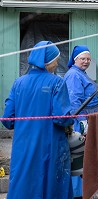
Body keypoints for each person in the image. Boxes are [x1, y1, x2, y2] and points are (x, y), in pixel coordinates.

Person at [1, 41, 74, 199]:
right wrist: (72, 117)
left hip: (23, 147)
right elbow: (62, 118)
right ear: (48, 61)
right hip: (50, 146)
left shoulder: (18, 83)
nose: (57, 63)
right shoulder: (57, 83)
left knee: (23, 186)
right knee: (50, 186)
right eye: (56, 59)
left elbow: (7, 119)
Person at [64, 45, 98, 198]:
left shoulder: (82, 74)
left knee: (92, 156)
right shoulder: (73, 75)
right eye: (83, 59)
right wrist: (83, 123)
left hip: (93, 119)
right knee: (83, 156)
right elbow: (74, 102)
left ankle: (96, 188)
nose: (86, 62)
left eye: (88, 59)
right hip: (83, 122)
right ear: (75, 59)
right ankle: (81, 192)